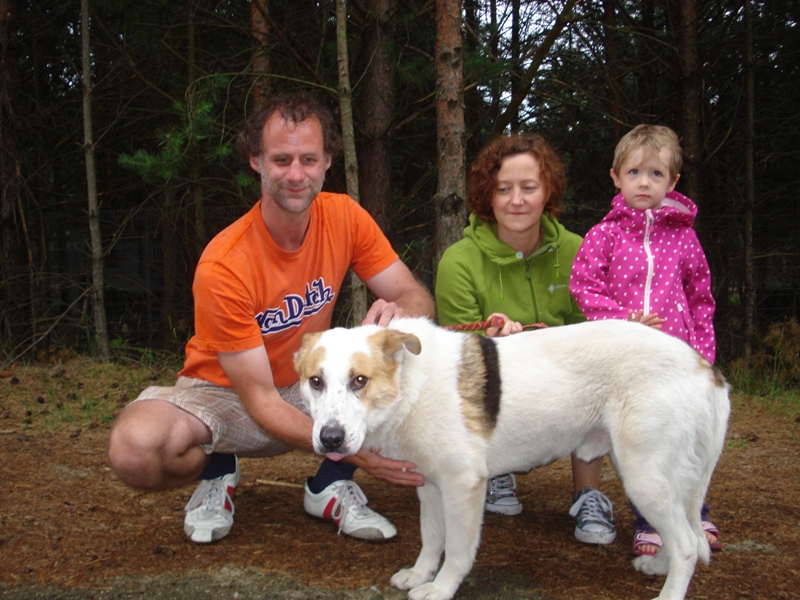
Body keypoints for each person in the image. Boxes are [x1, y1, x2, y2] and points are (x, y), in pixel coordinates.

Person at [107, 92, 432, 545]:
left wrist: (402, 314)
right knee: (134, 450)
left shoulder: (344, 217)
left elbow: (415, 294)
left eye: (308, 159)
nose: (296, 174)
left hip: (309, 384)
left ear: (327, 161)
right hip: (227, 393)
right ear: (256, 161)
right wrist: (359, 453)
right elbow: (260, 399)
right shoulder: (224, 263)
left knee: (407, 356)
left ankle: (328, 486)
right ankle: (217, 466)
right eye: (281, 159)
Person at [435, 132, 617, 546]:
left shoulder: (577, 250)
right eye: (504, 189)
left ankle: (588, 494)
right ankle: (493, 471)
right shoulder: (458, 261)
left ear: (548, 191)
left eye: (529, 187)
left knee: (601, 374)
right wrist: (490, 341)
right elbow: (455, 352)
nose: (517, 200)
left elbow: (593, 331)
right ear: (488, 194)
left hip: (565, 376)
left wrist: (551, 344)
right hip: (495, 383)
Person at [569, 123, 721, 557]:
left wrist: (702, 356)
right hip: (625, 365)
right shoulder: (605, 235)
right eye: (634, 172)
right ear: (616, 177)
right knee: (640, 442)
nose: (643, 183)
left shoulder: (685, 238)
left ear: (672, 182)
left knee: (681, 441)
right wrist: (624, 322)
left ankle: (694, 514)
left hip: (675, 364)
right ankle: (649, 522)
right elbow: (584, 286)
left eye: (656, 174)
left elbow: (701, 298)